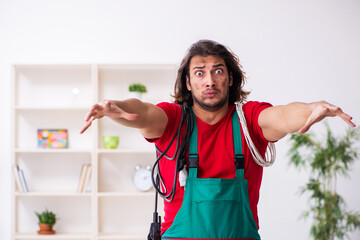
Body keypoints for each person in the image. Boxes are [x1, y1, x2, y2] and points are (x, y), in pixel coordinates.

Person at [80, 40, 355, 240]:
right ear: (188, 83)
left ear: (230, 78)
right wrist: (115, 107)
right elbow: (142, 111)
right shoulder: (173, 120)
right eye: (199, 73)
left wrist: (312, 109)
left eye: (218, 71)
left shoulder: (249, 120)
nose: (209, 80)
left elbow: (282, 115)